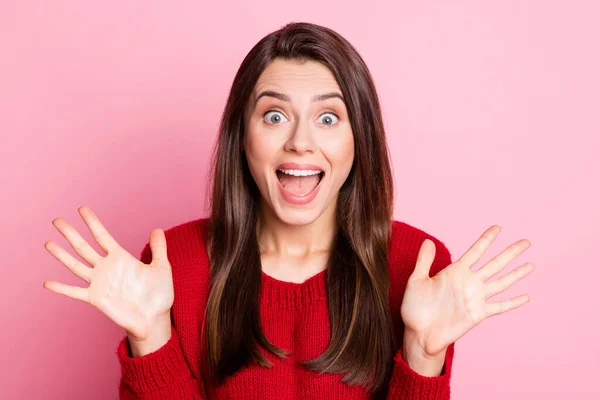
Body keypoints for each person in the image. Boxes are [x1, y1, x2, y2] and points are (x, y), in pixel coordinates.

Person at [43, 22, 534, 399]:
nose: (300, 142)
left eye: (328, 117)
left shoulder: (414, 265)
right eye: (274, 115)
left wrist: (422, 357)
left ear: (359, 139)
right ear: (243, 136)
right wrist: (151, 339)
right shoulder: (176, 263)